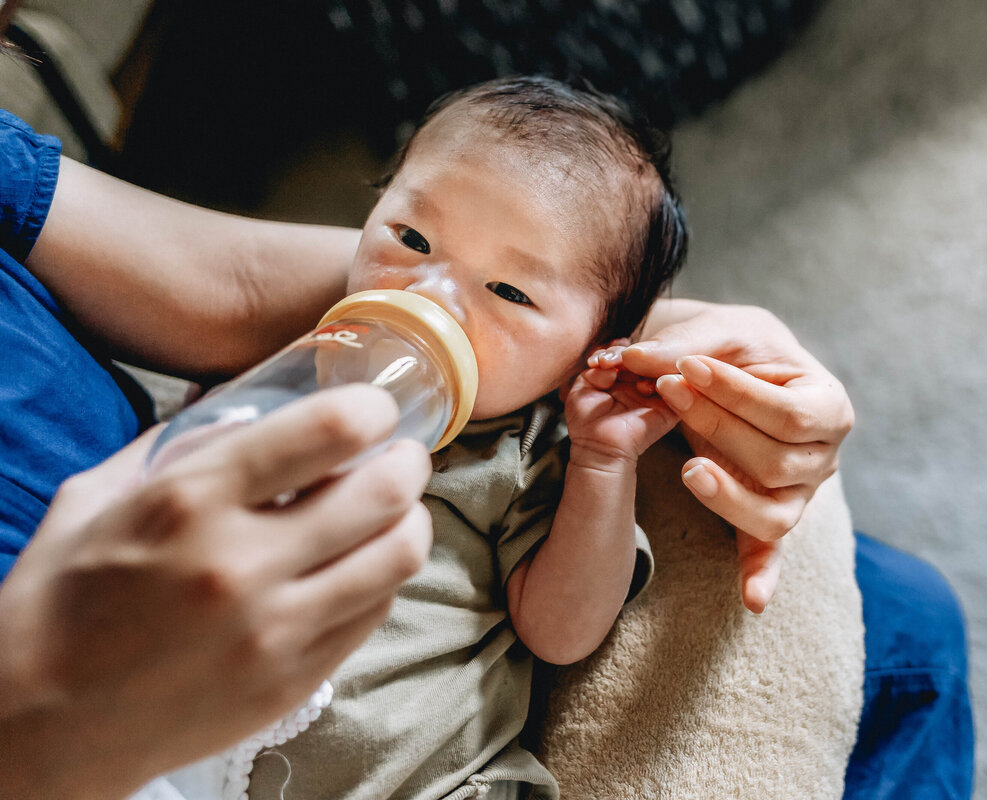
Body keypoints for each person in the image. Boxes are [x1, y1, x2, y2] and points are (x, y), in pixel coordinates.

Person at [0, 85, 864, 798]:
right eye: (409, 238)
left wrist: (606, 460)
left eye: (509, 291)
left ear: (595, 346)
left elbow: (561, 632)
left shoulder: (528, 451)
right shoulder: (283, 363)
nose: (434, 295)